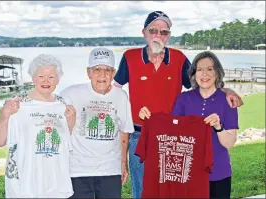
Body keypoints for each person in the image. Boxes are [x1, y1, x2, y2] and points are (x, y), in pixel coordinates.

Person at [113, 11, 243, 198]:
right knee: (142, 191)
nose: (158, 35)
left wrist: (226, 90)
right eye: (153, 30)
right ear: (144, 32)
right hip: (139, 135)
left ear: (169, 36)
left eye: (164, 32)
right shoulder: (130, 57)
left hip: (171, 140)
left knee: (170, 190)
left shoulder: (179, 58)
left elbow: (202, 81)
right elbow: (115, 90)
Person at [0, 54, 76, 198]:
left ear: (58, 79)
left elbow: (64, 142)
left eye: (51, 76)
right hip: (24, 182)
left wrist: (71, 122)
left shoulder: (64, 104)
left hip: (54, 181)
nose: (46, 81)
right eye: (41, 76)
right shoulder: (18, 104)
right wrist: (4, 116)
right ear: (33, 77)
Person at [59, 47, 134, 198]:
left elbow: (124, 132)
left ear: (113, 73)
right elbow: (54, 123)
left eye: (107, 70)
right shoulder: (70, 94)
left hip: (110, 170)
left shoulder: (121, 96)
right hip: (78, 169)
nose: (102, 75)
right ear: (89, 72)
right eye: (97, 69)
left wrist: (123, 164)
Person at [171, 51, 238, 199]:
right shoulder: (183, 99)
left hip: (219, 173)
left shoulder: (227, 101)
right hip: (189, 173)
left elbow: (229, 143)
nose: (204, 74)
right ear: (194, 74)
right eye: (199, 69)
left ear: (217, 72)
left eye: (209, 69)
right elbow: (172, 134)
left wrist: (218, 127)